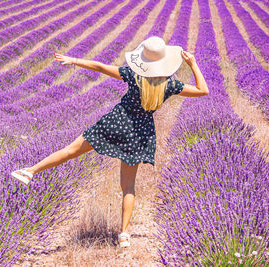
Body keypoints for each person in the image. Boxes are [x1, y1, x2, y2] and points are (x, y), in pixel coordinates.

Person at [11, 36, 209, 248]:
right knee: (128, 187)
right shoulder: (170, 84)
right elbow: (202, 90)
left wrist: (75, 60)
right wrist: (193, 64)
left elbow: (100, 67)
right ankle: (124, 234)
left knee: (71, 150)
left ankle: (30, 171)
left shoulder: (133, 75)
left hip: (117, 122)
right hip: (140, 133)